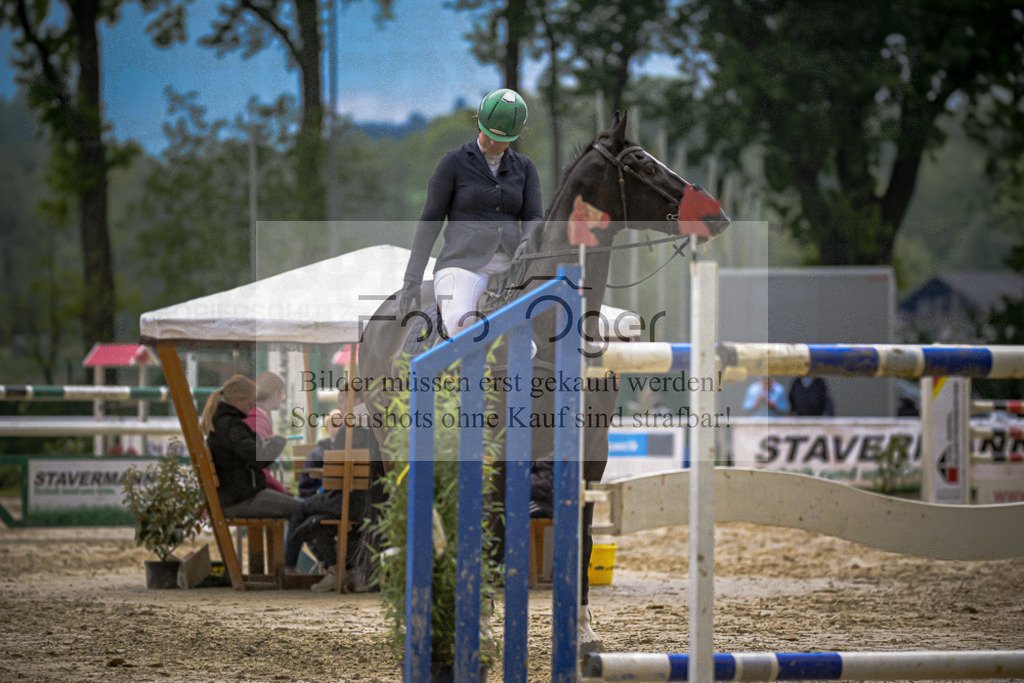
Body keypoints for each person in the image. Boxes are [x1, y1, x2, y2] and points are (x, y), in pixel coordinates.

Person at [398, 88, 543, 338]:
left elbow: (534, 217)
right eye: (489, 136)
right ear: (480, 124)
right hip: (462, 264)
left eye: (503, 139)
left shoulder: (525, 168)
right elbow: (431, 220)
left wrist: (528, 240)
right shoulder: (453, 162)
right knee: (460, 323)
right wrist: (412, 278)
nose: (495, 143)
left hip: (512, 266)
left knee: (537, 332)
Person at [198, 375, 300, 521]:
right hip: (242, 499)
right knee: (302, 509)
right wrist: (278, 442)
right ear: (237, 400)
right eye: (250, 403)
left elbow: (246, 451)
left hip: (233, 497)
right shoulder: (232, 426)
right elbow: (259, 459)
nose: (253, 407)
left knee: (301, 508)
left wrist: (259, 441)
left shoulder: (224, 423)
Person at [244, 371, 290, 494]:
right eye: (282, 396)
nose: (282, 399)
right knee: (299, 508)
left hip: (247, 487)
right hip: (250, 492)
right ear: (276, 394)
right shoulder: (256, 420)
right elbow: (257, 466)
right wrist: (279, 488)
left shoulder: (255, 415)